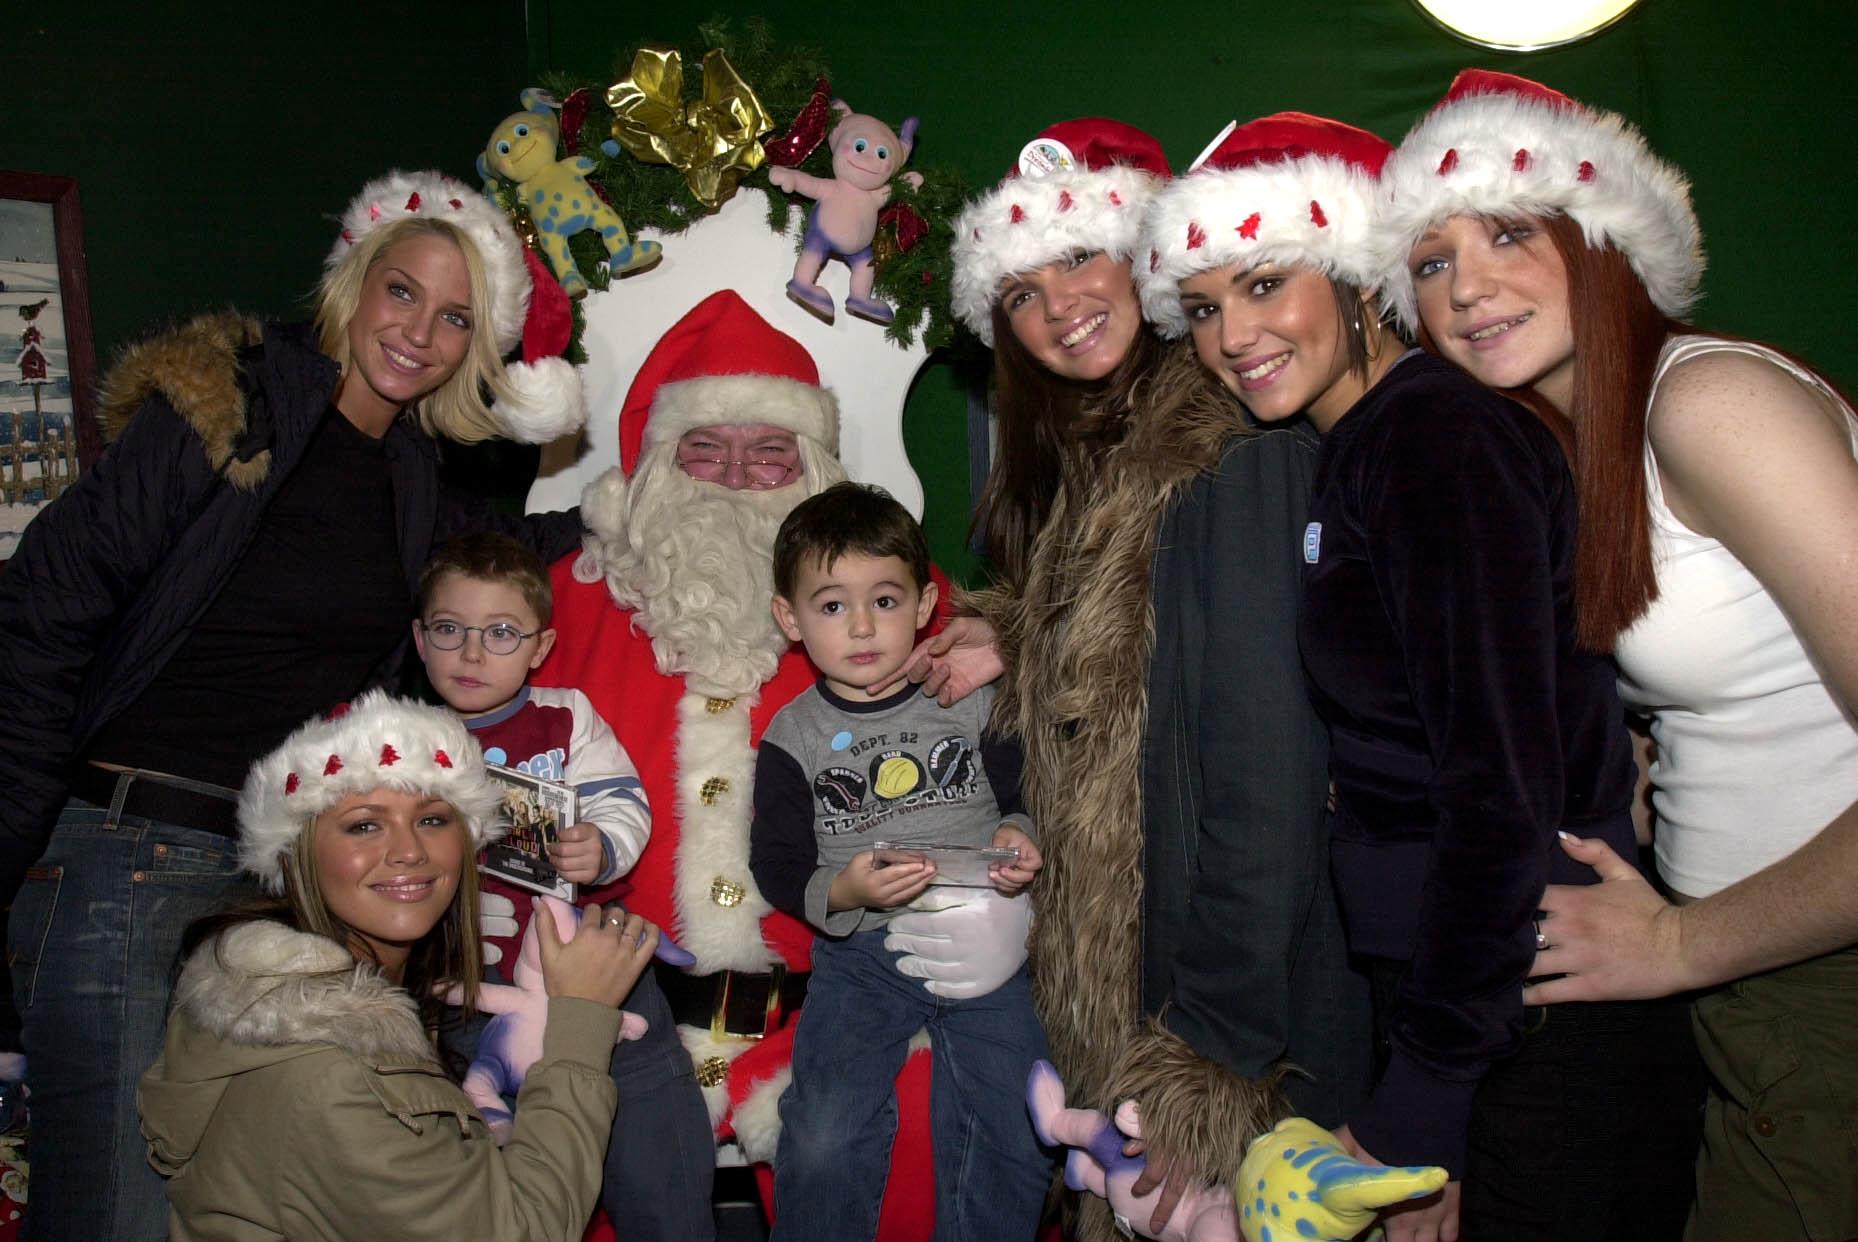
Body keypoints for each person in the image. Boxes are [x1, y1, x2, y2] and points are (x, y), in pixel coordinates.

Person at [1137, 110, 1701, 1242]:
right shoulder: (1362, 443)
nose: (1232, 335)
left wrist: (1425, 1097)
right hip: (1471, 994)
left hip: (1536, 1002)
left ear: (1354, 274)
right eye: (1200, 309)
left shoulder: (1434, 438)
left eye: (1265, 284)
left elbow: (1498, 788)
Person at [0, 168, 589, 1241]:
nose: (419, 332)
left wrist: (660, 507)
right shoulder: (229, 407)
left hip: (268, 886)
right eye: (402, 292)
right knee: (116, 1213)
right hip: (127, 853)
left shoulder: (407, 471)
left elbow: (510, 556)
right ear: (355, 282)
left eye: (456, 317)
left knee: (226, 1211)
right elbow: (44, 606)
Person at [1380, 68, 1858, 1241]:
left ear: (1607, 240)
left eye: (1508, 232)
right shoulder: (1582, 447)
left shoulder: (1709, 402)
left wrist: (1681, 943)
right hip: (1753, 980)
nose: (1464, 287)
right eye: (1429, 262)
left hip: (1819, 982)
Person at [925, 117, 1372, 1242]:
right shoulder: (1098, 464)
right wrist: (1015, 635)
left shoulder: (1239, 453)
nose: (1058, 305)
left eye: (1081, 255)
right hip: (1128, 998)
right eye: (1020, 292)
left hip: (1227, 1030)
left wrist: (1208, 1053)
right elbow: (1135, 670)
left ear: (1148, 260)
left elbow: (1268, 784)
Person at [533, 289, 1012, 1239]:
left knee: (918, 1157)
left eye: (770, 453)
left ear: (814, 470)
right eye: (705, 449)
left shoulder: (896, 607)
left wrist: (1013, 638)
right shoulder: (564, 601)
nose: (736, 477)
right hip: (628, 1017)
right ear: (655, 462)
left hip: (843, 1004)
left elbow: (1021, 717)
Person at [137, 690, 660, 1241]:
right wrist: (580, 1019)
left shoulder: (333, 1004)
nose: (409, 850)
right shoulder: (333, 1073)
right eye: (365, 825)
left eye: (432, 819)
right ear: (295, 855)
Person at [749, 482, 1050, 1241]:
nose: (861, 626)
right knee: (823, 1131)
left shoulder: (967, 695)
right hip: (862, 959)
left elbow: (1023, 792)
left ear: (924, 605)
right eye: (831, 606)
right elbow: (776, 861)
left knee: (1013, 1126)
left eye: (884, 601)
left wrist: (1019, 835)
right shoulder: (791, 735)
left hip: (989, 936)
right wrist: (843, 890)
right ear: (790, 618)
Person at [413, 530, 716, 1238]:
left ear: (540, 647)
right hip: (468, 990)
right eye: (450, 630)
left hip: (597, 974)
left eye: (501, 633)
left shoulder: (564, 714)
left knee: (659, 1163)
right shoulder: (403, 737)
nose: (472, 653)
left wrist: (601, 847)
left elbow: (623, 802)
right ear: (421, 640)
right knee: (492, 1182)